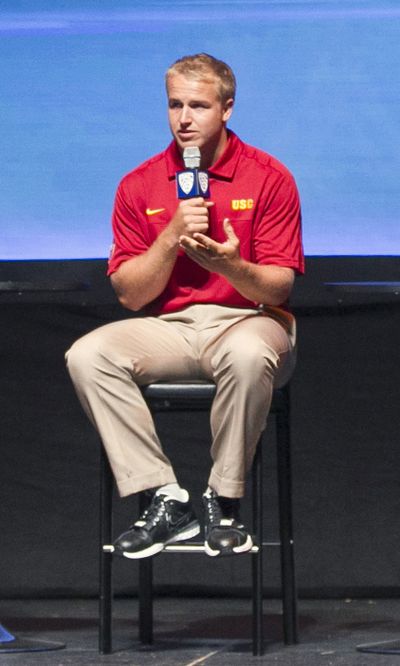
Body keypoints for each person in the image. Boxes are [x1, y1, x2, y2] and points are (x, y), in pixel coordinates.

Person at [66, 53, 304, 560]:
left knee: (246, 355)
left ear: (228, 109)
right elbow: (131, 295)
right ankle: (163, 499)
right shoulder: (139, 183)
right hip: (170, 326)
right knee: (88, 355)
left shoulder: (269, 176)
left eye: (199, 105)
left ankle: (224, 498)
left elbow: (279, 289)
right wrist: (172, 235)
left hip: (249, 321)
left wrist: (230, 268)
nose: (185, 119)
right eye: (175, 105)